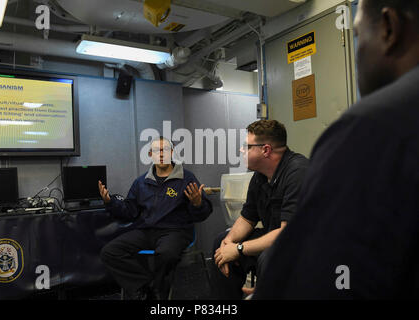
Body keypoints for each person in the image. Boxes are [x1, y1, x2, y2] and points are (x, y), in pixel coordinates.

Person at [253, 0, 419, 299]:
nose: (358, 53)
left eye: (357, 35)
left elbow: (310, 271)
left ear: (389, 27)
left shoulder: (368, 129)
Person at [99, 136, 213, 300]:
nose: (161, 154)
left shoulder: (186, 179)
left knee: (166, 254)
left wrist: (197, 204)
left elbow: (203, 214)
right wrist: (110, 202)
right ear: (151, 154)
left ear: (172, 152)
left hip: (175, 231)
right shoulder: (141, 182)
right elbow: (130, 211)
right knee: (110, 252)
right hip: (146, 231)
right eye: (157, 151)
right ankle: (147, 287)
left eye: (165, 150)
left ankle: (158, 291)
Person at [211, 119, 309, 299]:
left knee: (269, 258)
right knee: (220, 243)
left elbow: (288, 234)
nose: (241, 150)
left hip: (305, 245)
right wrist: (228, 243)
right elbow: (247, 218)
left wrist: (238, 248)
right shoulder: (260, 177)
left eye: (246, 146)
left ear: (265, 150)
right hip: (276, 238)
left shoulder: (298, 172)